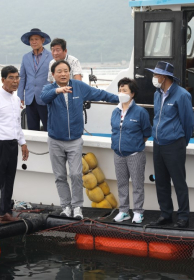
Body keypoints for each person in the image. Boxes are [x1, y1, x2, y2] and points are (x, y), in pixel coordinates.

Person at [40, 60, 119, 219]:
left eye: (65, 71)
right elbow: (43, 98)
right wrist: (58, 91)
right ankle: (66, 207)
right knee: (60, 176)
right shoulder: (49, 88)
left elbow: (101, 94)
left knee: (76, 174)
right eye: (59, 71)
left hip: (74, 140)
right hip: (55, 140)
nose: (63, 74)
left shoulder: (79, 86)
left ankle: (77, 208)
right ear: (53, 74)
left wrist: (121, 99)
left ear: (69, 72)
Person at [146, 61, 194, 228]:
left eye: (156, 74)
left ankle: (183, 217)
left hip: (174, 144)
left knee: (179, 181)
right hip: (158, 143)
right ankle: (166, 214)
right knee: (161, 181)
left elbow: (188, 123)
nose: (154, 77)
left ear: (164, 77)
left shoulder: (182, 95)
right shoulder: (157, 93)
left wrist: (181, 142)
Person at [0, 65, 29, 226]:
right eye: (11, 78)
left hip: (11, 144)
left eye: (17, 78)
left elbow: (17, 124)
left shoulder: (16, 100)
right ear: (3, 80)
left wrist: (23, 143)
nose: (15, 81)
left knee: (9, 179)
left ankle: (6, 212)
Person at [111, 78, 151, 224]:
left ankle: (138, 212)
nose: (121, 93)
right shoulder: (115, 112)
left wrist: (135, 144)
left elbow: (147, 132)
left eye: (125, 90)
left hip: (135, 154)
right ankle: (123, 211)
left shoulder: (140, 112)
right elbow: (114, 130)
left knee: (137, 184)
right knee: (122, 184)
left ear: (132, 94)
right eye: (120, 90)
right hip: (118, 154)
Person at [18, 28, 53, 131]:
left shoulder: (51, 56)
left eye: (36, 39)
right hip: (30, 98)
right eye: (32, 39)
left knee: (49, 126)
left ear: (42, 40)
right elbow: (22, 77)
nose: (34, 42)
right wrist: (20, 96)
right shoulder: (26, 57)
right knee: (32, 128)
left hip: (46, 97)